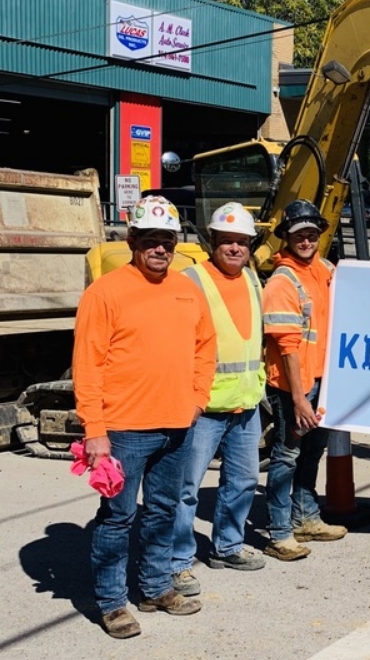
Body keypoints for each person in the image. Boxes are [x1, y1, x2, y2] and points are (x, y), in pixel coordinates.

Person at [73, 195, 217, 638]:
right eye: (151, 240)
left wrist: (195, 401)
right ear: (132, 240)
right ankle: (113, 603)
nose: (160, 249)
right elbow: (88, 363)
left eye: (167, 241)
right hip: (123, 430)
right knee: (117, 518)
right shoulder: (106, 292)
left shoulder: (187, 290)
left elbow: (205, 348)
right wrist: (95, 431)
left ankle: (155, 588)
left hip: (177, 426)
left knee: (162, 511)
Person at [171, 202, 267, 597]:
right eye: (226, 241)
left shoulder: (252, 279)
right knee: (186, 487)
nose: (234, 248)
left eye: (241, 242)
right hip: (204, 406)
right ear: (212, 241)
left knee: (243, 480)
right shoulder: (189, 280)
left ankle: (226, 546)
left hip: (245, 404)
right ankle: (177, 562)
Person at [262, 199, 348, 561]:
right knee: (287, 456)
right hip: (294, 386)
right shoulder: (283, 282)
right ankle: (280, 532)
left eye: (312, 234)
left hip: (322, 381)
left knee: (312, 452)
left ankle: (306, 517)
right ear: (287, 237)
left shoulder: (327, 270)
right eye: (299, 235)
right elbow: (287, 347)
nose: (306, 240)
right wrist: (299, 398)